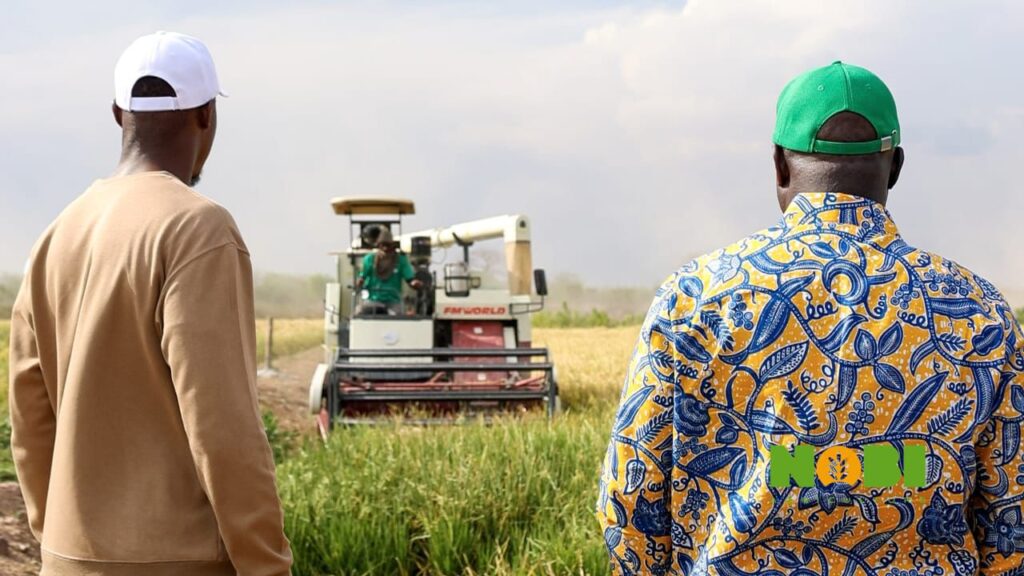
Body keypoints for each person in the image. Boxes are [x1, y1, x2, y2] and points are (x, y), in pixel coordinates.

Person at [597, 61, 1024, 575]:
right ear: (895, 167)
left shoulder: (694, 298)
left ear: (779, 165)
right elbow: (1011, 520)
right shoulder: (979, 312)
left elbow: (629, 503)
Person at [8, 32, 292, 575]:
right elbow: (223, 429)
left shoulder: (55, 236)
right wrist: (266, 565)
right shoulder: (197, 229)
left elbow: (29, 419)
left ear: (119, 115)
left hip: (68, 560)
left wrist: (58, 541)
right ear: (206, 115)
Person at [355, 227, 423, 315]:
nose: (385, 248)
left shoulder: (401, 260)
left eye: (387, 245)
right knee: (360, 312)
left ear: (392, 245)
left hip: (393, 301)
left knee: (398, 317)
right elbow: (362, 277)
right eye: (382, 245)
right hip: (373, 300)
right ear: (378, 245)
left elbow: (409, 279)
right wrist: (359, 282)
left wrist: (414, 283)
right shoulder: (369, 259)